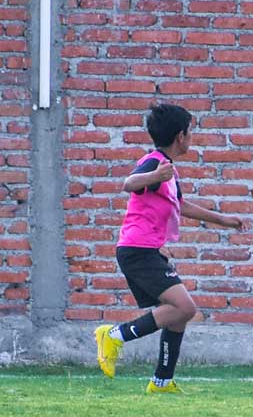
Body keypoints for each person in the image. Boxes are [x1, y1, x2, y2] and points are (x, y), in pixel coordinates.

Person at [94, 103, 243, 393]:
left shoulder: (168, 170)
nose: (192, 137)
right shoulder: (155, 163)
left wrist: (222, 219)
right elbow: (129, 183)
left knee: (176, 313)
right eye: (191, 132)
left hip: (148, 250)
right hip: (137, 251)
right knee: (184, 308)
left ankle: (162, 381)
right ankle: (113, 336)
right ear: (180, 136)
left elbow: (181, 205)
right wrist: (154, 177)